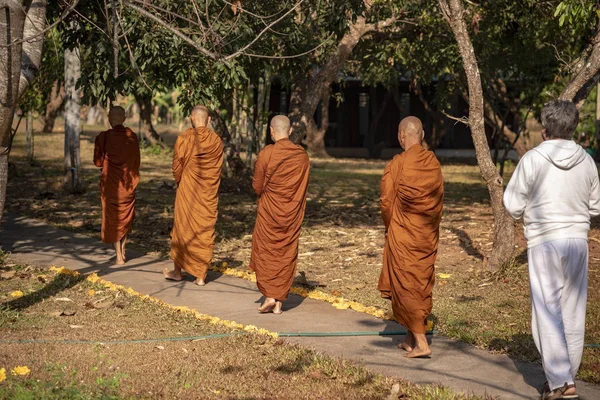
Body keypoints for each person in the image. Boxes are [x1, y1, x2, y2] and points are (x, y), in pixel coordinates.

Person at [504, 100, 600, 400]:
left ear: (545, 129)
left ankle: (561, 382)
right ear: (573, 128)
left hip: (544, 240)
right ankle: (565, 377)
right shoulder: (586, 160)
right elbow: (596, 206)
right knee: (573, 310)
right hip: (578, 240)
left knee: (547, 311)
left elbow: (512, 205)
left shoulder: (532, 159)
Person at [378, 116, 444, 358]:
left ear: (401, 136)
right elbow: (438, 201)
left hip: (405, 233)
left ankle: (422, 343)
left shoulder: (397, 164)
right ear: (422, 135)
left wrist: (391, 225)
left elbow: (386, 202)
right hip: (425, 234)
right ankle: (409, 339)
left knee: (407, 284)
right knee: (417, 282)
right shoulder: (433, 163)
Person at [250, 115, 310, 314]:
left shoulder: (267, 153)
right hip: (291, 213)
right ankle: (278, 303)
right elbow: (302, 186)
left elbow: (257, 186)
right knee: (284, 253)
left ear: (271, 131)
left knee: (268, 252)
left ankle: (270, 297)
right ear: (290, 130)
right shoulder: (301, 155)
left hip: (270, 212)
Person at [163, 106, 224, 286]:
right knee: (204, 230)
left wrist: (181, 181)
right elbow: (216, 169)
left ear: (191, 118)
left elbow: (177, 166)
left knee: (182, 229)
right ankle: (200, 276)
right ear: (209, 119)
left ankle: (177, 272)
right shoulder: (216, 140)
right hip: (207, 193)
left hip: (187, 190)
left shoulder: (185, 138)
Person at [93, 106, 140, 265]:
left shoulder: (103, 138)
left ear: (108, 118)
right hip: (128, 185)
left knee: (113, 219)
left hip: (111, 185)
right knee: (125, 219)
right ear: (125, 118)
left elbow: (97, 162)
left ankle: (119, 255)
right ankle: (124, 250)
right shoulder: (132, 137)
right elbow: (136, 162)